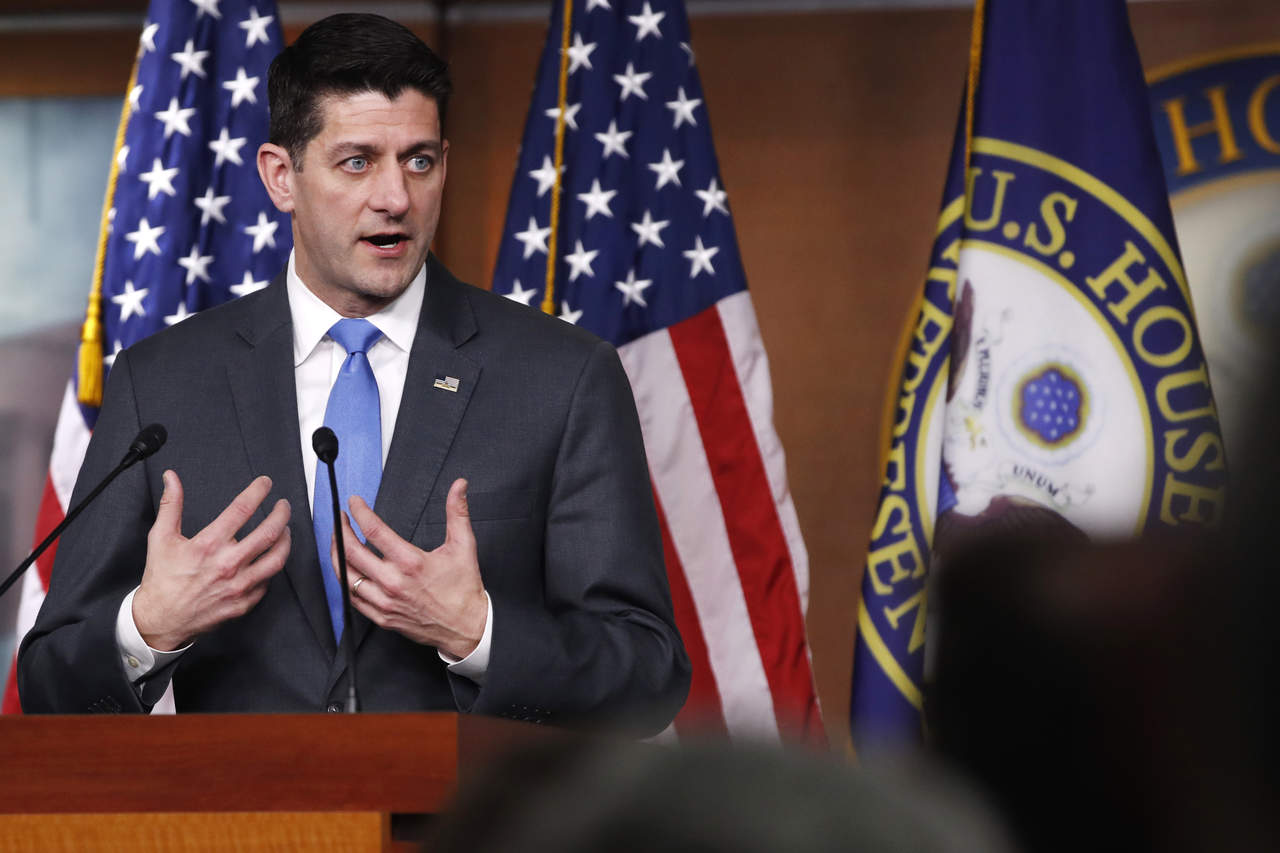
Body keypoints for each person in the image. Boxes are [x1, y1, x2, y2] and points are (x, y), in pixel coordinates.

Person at [17, 13, 690, 735]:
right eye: (358, 162)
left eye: (419, 161)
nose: (396, 198)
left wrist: (479, 633)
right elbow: (50, 681)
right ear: (281, 177)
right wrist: (149, 626)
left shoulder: (563, 378)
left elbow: (648, 675)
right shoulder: (164, 383)